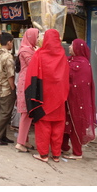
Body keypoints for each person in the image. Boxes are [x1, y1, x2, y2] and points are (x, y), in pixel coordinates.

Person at [25, 29, 69, 162]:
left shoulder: (39, 54)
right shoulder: (63, 55)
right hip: (59, 97)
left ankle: (43, 155)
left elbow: (31, 75)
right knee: (58, 127)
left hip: (43, 98)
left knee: (43, 127)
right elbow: (66, 76)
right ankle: (56, 155)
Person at [61, 39, 96, 160]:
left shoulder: (82, 64)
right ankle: (64, 147)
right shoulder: (71, 60)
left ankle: (77, 153)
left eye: (72, 45)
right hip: (69, 100)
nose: (69, 47)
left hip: (77, 101)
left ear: (78, 48)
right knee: (67, 123)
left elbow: (78, 83)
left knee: (75, 125)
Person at [14, 28, 39, 152]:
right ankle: (20, 143)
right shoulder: (25, 50)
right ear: (31, 37)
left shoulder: (29, 49)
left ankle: (25, 140)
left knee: (27, 113)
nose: (38, 39)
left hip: (28, 81)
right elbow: (33, 63)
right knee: (26, 113)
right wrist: (40, 52)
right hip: (26, 83)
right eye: (37, 36)